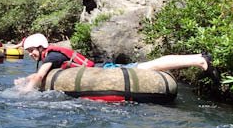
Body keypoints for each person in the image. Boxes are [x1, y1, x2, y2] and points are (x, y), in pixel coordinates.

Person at [14, 33, 219, 93]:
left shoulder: (52, 57)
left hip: (109, 72)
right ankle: (198, 59)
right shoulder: (51, 55)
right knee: (150, 65)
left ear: (41, 48)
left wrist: (25, 92)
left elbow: (41, 75)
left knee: (152, 65)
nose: (31, 54)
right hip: (104, 70)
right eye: (28, 51)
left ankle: (199, 60)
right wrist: (24, 79)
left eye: (32, 50)